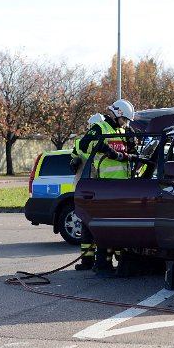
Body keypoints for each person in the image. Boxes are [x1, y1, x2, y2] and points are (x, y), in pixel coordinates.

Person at [75, 100, 138, 273]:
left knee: (120, 229)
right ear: (117, 114)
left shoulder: (124, 131)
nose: (126, 123)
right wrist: (106, 148)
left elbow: (134, 152)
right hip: (106, 186)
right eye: (124, 119)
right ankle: (102, 264)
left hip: (124, 186)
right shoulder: (100, 128)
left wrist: (130, 149)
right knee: (106, 228)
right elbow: (84, 144)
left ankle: (114, 262)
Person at [70, 113, 104, 270]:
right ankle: (89, 260)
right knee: (89, 225)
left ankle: (94, 261)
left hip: (92, 187)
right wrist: (74, 161)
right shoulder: (83, 143)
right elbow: (73, 158)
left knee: (91, 225)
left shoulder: (104, 142)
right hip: (91, 188)